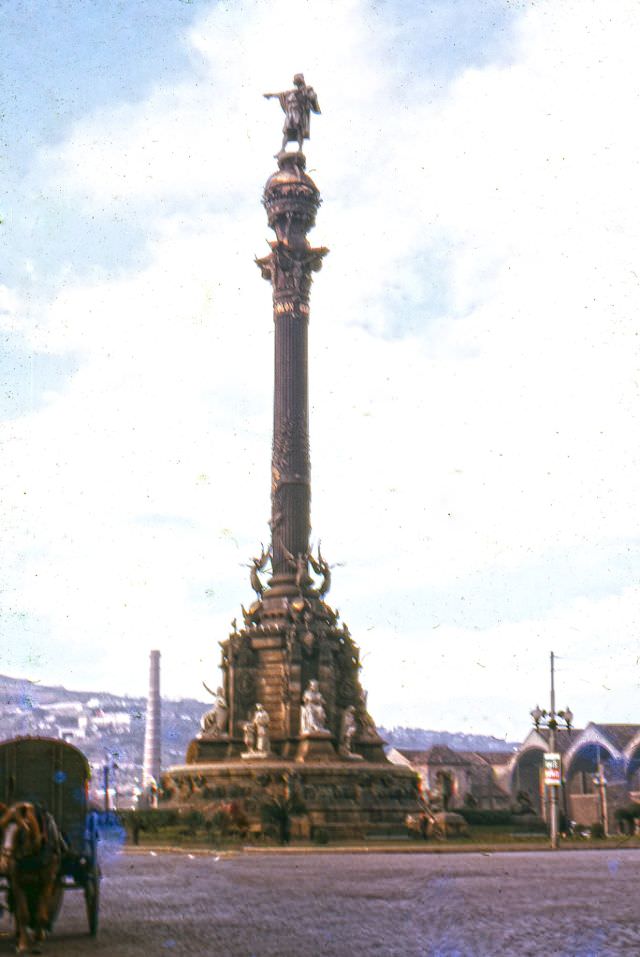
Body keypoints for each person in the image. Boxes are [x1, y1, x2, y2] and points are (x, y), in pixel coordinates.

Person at [264, 74, 321, 151]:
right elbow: (281, 94)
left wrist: (311, 96)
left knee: (299, 130)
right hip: (290, 113)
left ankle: (300, 149)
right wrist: (271, 95)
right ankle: (282, 149)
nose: (295, 82)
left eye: (297, 80)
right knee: (286, 131)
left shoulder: (307, 89)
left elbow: (312, 96)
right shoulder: (291, 92)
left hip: (299, 113)